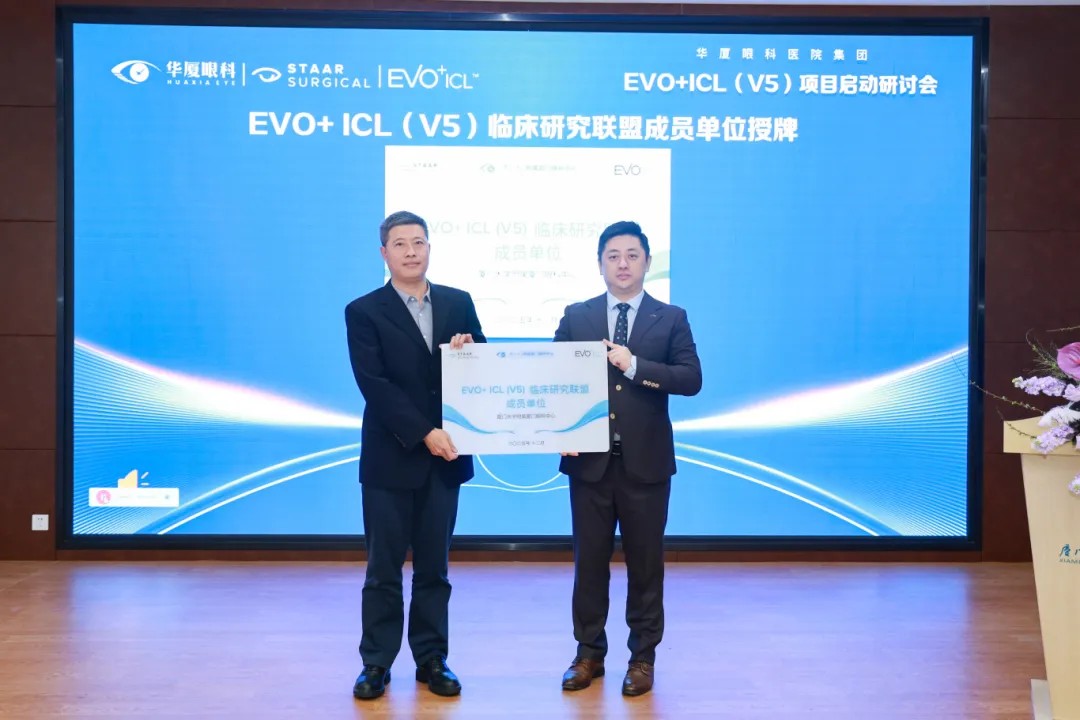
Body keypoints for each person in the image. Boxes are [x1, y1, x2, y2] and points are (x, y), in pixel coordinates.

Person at [554, 220, 702, 697]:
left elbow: (690, 378)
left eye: (632, 255)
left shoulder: (671, 317)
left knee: (645, 565)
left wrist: (634, 365)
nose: (622, 264)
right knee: (589, 563)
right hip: (590, 465)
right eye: (613, 256)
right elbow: (553, 380)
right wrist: (558, 428)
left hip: (647, 464)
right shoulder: (577, 316)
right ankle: (588, 654)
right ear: (600, 263)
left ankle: (642, 657)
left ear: (647, 263)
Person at [344, 210, 485, 700]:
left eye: (418, 242)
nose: (410, 251)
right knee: (383, 569)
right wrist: (424, 432)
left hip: (445, 459)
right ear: (384, 253)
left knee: (434, 569)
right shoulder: (363, 311)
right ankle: (376, 663)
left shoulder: (458, 303)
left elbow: (483, 368)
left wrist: (470, 350)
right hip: (391, 457)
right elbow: (375, 385)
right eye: (400, 244)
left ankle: (432, 659)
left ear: (429, 248)